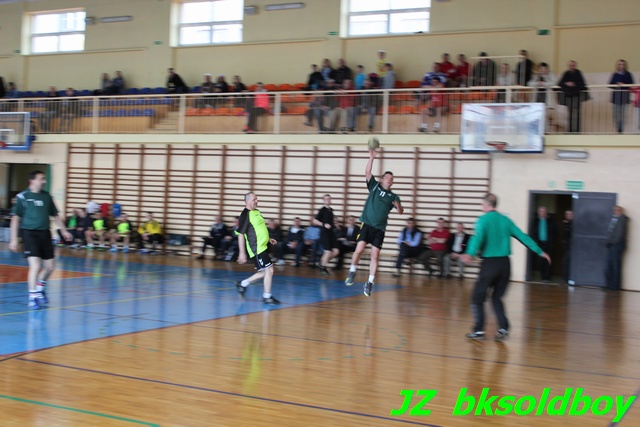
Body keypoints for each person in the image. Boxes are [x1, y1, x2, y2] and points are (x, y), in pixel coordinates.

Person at [461, 193, 550, 340]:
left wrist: (469, 253)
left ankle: (478, 331)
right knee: (496, 298)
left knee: (477, 297)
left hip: (490, 264)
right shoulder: (505, 220)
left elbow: (478, 238)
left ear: (486, 205)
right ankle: (503, 328)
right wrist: (539, 251)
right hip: (505, 265)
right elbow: (522, 236)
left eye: (482, 204)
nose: (482, 207)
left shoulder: (483, 220)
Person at [344, 149, 404, 296]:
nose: (389, 179)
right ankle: (352, 271)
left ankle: (370, 282)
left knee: (375, 255)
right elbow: (367, 172)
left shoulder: (394, 196)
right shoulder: (375, 186)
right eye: (387, 177)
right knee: (359, 249)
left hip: (379, 229)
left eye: (391, 178)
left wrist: (398, 206)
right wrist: (371, 158)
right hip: (367, 225)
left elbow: (401, 211)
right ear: (382, 179)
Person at [9, 170, 72, 309]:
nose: (44, 181)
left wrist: (64, 230)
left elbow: (56, 215)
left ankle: (39, 288)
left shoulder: (47, 196)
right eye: (41, 179)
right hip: (29, 234)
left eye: (44, 179)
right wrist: (13, 239)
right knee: (36, 266)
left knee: (50, 267)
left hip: (45, 233)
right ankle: (32, 297)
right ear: (32, 181)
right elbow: (15, 219)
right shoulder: (23, 197)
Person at [235, 192, 280, 304]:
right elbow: (240, 234)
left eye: (257, 199)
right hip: (256, 248)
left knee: (264, 272)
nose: (256, 201)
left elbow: (260, 228)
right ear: (247, 201)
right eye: (254, 199)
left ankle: (242, 284)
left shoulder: (256, 212)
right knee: (269, 270)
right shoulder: (245, 215)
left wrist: (268, 238)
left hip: (263, 246)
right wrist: (242, 253)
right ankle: (267, 296)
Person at [557, 60, 588, 133]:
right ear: (568, 66)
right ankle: (570, 131)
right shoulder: (566, 73)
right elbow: (560, 83)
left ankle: (577, 131)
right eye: (570, 65)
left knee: (577, 114)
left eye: (573, 65)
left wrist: (574, 84)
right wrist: (567, 84)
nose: (571, 67)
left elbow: (582, 84)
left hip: (577, 96)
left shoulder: (578, 73)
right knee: (570, 114)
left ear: (575, 66)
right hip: (569, 96)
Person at [314, 194, 340, 275]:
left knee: (336, 251)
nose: (328, 200)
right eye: (326, 199)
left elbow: (330, 221)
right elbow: (315, 220)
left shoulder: (331, 210)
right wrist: (323, 224)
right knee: (328, 251)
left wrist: (335, 225)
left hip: (331, 233)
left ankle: (322, 263)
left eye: (329, 199)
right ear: (324, 200)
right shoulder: (322, 210)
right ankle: (323, 268)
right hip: (324, 233)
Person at [530, 206, 557, 282]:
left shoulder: (551, 221)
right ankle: (542, 276)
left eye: (544, 211)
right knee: (540, 261)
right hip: (539, 244)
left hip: (548, 244)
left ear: (546, 212)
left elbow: (555, 232)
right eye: (541, 211)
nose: (542, 213)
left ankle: (547, 278)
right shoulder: (535, 221)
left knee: (548, 261)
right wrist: (534, 241)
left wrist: (552, 241)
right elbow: (532, 232)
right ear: (538, 212)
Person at [605, 205, 628, 291]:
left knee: (615, 266)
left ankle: (614, 286)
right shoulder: (615, 219)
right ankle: (610, 285)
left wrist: (611, 242)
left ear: (620, 211)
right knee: (610, 265)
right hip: (613, 245)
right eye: (614, 210)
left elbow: (619, 234)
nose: (615, 211)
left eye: (617, 210)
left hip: (617, 245)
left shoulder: (621, 219)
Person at [608, 59, 634, 133]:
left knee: (623, 114)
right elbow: (610, 84)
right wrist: (616, 84)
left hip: (624, 96)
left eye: (623, 64)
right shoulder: (615, 74)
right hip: (616, 96)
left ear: (625, 66)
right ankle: (618, 128)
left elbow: (632, 84)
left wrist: (624, 84)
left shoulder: (628, 74)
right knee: (615, 114)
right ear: (618, 66)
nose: (621, 66)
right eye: (620, 64)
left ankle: (621, 129)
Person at [561, 210, 573, 284]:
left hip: (574, 246)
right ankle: (565, 279)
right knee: (565, 262)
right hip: (567, 246)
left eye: (570, 214)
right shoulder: (564, 223)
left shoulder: (573, 223)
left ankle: (570, 279)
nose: (569, 216)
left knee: (570, 263)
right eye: (567, 214)